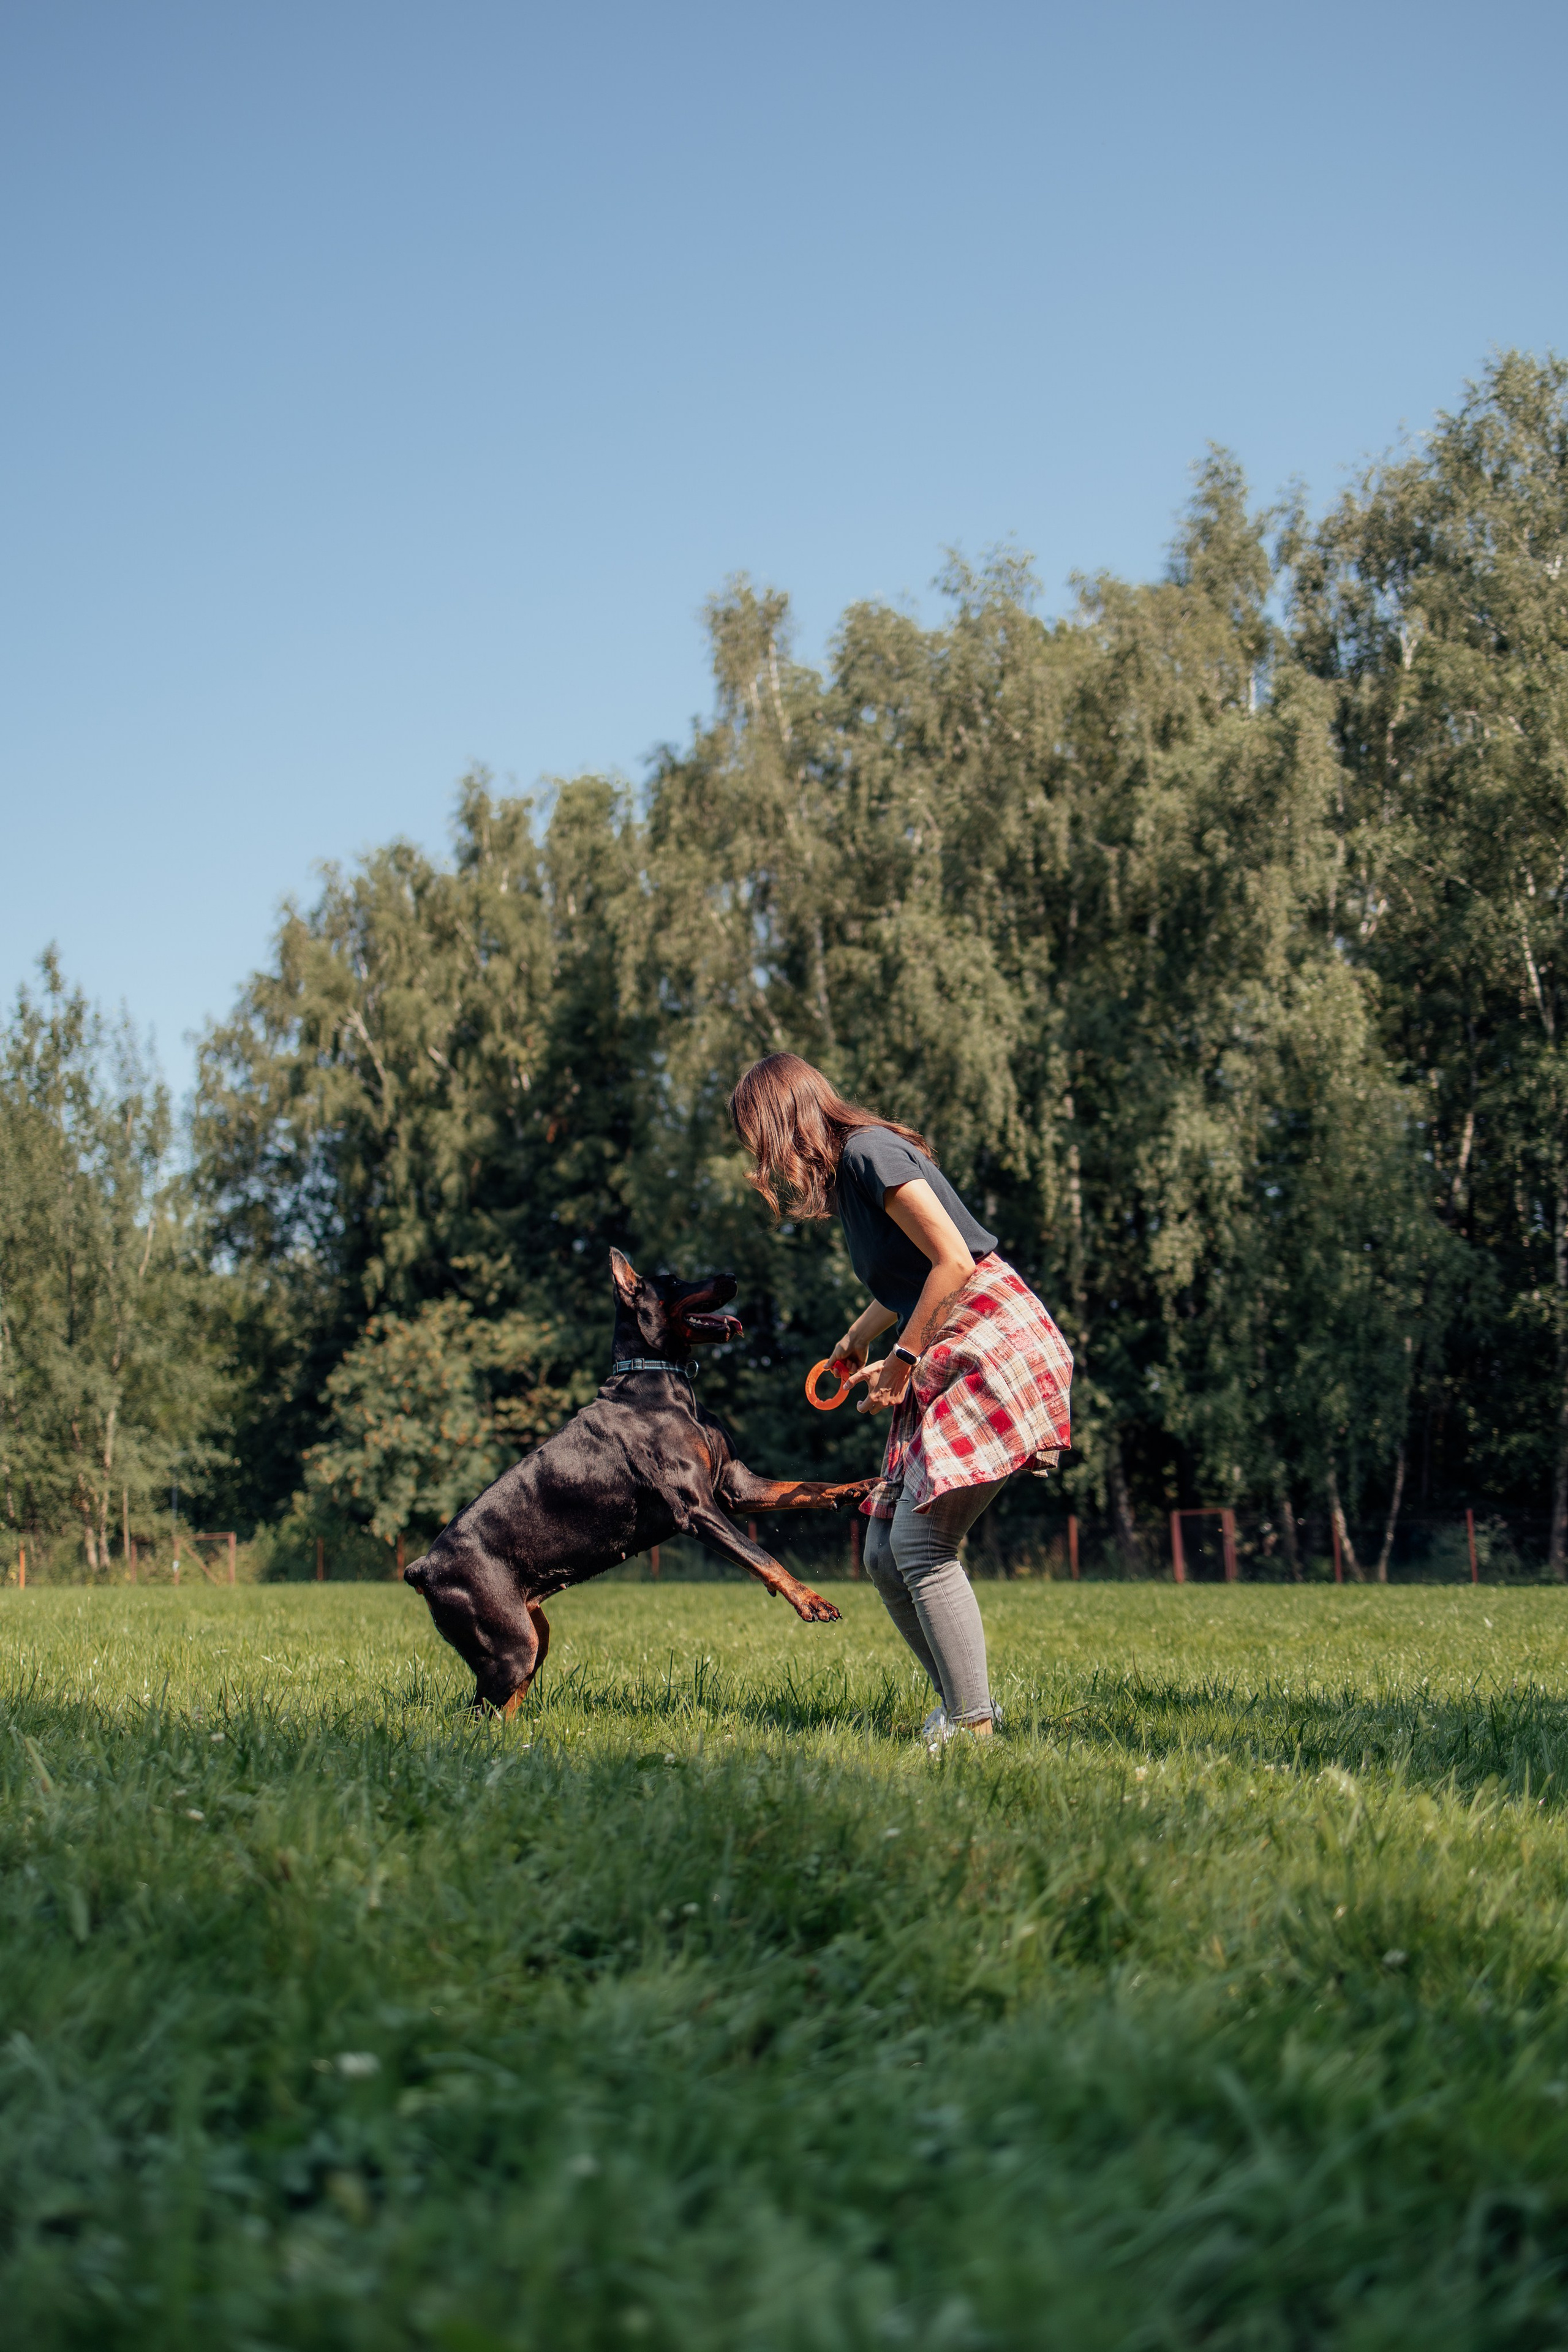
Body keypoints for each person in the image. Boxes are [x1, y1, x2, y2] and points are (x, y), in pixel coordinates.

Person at [728, 1053, 1073, 1747]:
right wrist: (858, 1339)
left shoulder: (869, 1153)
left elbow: (954, 1261)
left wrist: (904, 1360)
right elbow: (910, 1279)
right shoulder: (854, 1175)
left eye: (757, 1137)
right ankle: (962, 1707)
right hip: (951, 1334)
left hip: (987, 1334)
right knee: (885, 1556)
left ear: (782, 1120)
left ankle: (973, 1728)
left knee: (922, 1545)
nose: (762, 1158)